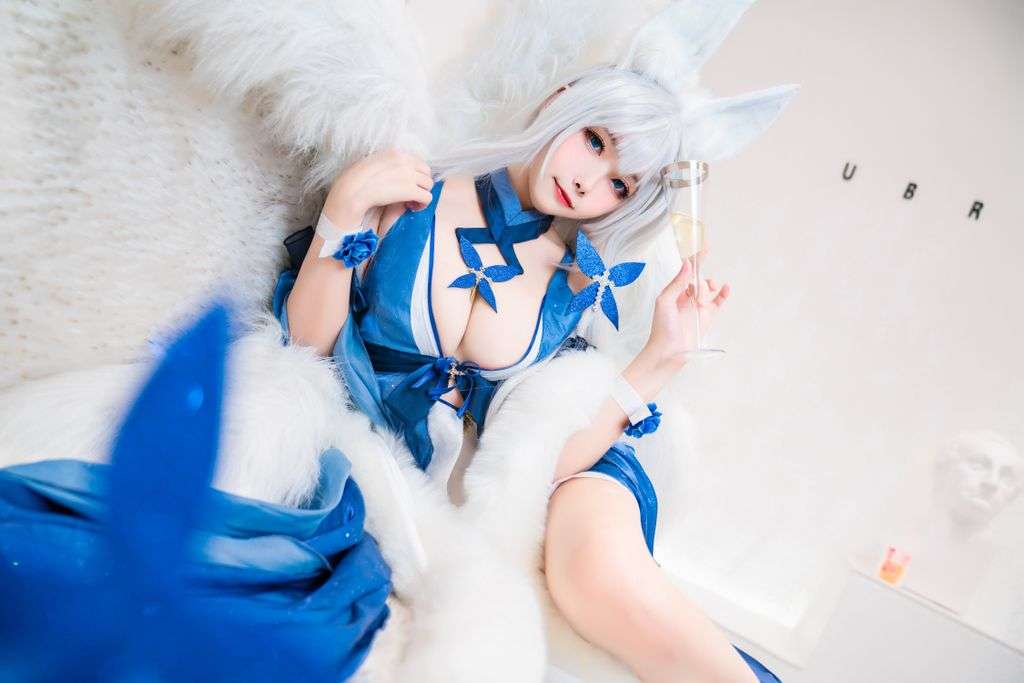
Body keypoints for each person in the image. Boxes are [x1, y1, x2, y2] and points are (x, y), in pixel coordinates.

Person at [274, 63, 780, 683]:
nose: (588, 182)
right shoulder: (415, 191)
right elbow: (305, 349)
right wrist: (345, 206)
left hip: (449, 508)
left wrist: (661, 356)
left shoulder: (574, 282)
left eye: (619, 185)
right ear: (559, 102)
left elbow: (534, 461)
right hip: (357, 465)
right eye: (594, 140)